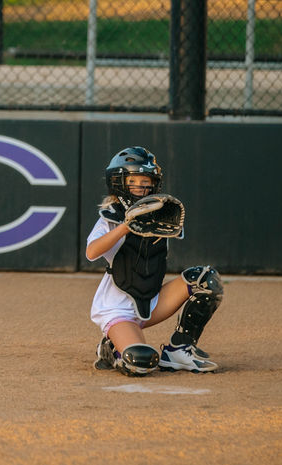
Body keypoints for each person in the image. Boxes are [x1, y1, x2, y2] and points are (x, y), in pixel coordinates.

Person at [86, 146, 222, 375]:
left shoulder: (159, 215)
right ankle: (111, 347)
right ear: (119, 181)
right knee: (141, 361)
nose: (142, 185)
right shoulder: (110, 218)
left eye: (147, 180)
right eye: (134, 179)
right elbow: (92, 252)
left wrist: (150, 216)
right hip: (117, 309)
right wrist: (125, 227)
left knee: (206, 280)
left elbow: (171, 231)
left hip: (151, 301)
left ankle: (179, 349)